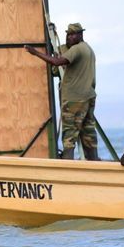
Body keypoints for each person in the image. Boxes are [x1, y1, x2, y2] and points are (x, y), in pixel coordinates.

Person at [25, 22, 98, 160]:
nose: (69, 37)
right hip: (88, 97)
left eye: (72, 35)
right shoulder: (88, 49)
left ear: (80, 35)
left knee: (69, 135)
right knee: (88, 133)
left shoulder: (77, 49)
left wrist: (35, 53)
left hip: (74, 100)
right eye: (67, 35)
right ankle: (94, 163)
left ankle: (67, 165)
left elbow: (57, 62)